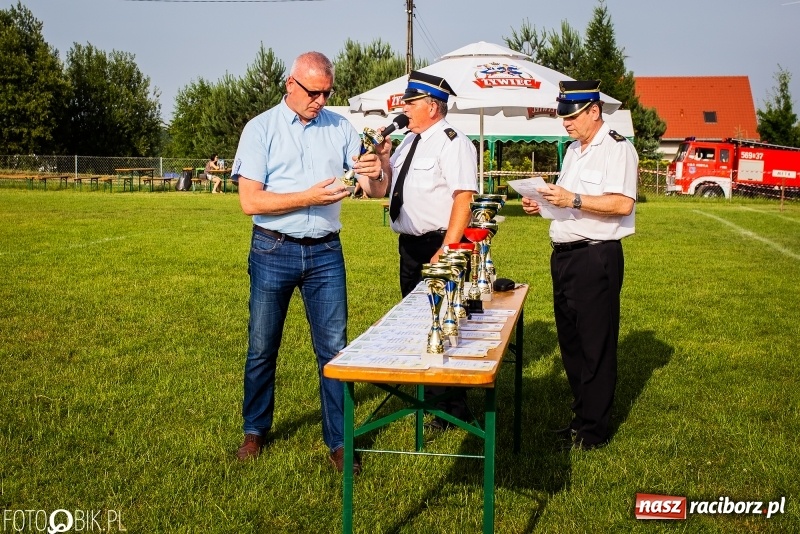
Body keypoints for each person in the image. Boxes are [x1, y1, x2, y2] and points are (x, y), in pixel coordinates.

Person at [230, 51, 387, 473]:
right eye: (314, 92)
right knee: (263, 347)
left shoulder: (340, 127)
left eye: (327, 92)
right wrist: (308, 197)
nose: (321, 100)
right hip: (272, 248)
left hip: (325, 253)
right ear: (290, 84)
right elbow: (250, 201)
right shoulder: (260, 128)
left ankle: (338, 441)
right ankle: (255, 430)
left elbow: (374, 189)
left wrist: (378, 166)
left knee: (334, 350)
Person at [521, 80, 638, 451]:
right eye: (562, 116)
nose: (566, 123)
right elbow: (572, 202)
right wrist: (543, 203)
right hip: (565, 256)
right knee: (570, 342)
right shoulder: (573, 150)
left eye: (572, 116)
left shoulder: (617, 149)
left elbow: (621, 204)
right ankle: (580, 418)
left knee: (595, 346)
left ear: (593, 111)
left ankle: (595, 431)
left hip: (595, 256)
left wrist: (571, 197)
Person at [372, 71, 478, 429]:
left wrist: (447, 249)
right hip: (410, 245)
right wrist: (384, 160)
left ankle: (452, 409)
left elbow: (464, 197)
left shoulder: (452, 142)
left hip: (438, 244)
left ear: (432, 107)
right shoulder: (407, 142)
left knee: (444, 323)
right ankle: (430, 397)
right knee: (419, 324)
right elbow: (390, 187)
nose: (404, 109)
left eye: (411, 102)